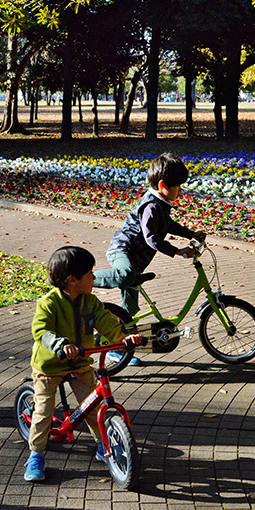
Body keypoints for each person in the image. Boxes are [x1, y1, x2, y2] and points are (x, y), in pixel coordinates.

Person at [23, 245, 142, 482]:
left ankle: (103, 444)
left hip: (79, 363)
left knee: (93, 407)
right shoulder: (49, 303)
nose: (94, 277)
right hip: (50, 366)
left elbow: (105, 321)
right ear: (73, 279)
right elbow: (42, 331)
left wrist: (122, 338)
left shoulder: (91, 302)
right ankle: (36, 454)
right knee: (44, 410)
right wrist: (60, 344)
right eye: (90, 274)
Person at [93, 152, 205, 366]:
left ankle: (114, 348)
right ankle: (85, 279)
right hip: (122, 251)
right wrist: (177, 251)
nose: (180, 191)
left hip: (136, 261)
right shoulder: (151, 206)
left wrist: (191, 234)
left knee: (129, 312)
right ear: (163, 185)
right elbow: (152, 238)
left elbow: (168, 226)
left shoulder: (161, 204)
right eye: (178, 186)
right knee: (125, 275)